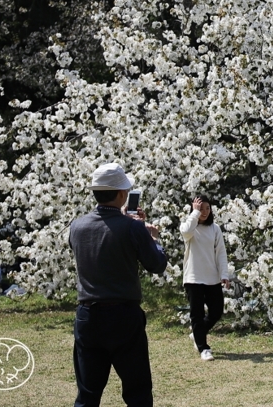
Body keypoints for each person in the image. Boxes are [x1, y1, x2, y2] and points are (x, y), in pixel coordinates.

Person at [69, 162, 167, 407]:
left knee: (88, 394)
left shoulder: (77, 227)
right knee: (137, 393)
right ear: (123, 194)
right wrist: (153, 238)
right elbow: (157, 265)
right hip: (124, 316)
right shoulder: (133, 227)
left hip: (87, 315)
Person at [180, 195, 230, 361]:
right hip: (193, 277)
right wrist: (194, 213)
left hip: (212, 277)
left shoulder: (215, 228)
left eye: (207, 208)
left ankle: (197, 333)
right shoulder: (190, 227)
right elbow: (185, 231)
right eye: (201, 208)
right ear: (194, 209)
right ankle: (203, 348)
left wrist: (224, 274)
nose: (204, 212)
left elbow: (221, 252)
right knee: (197, 314)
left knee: (216, 310)